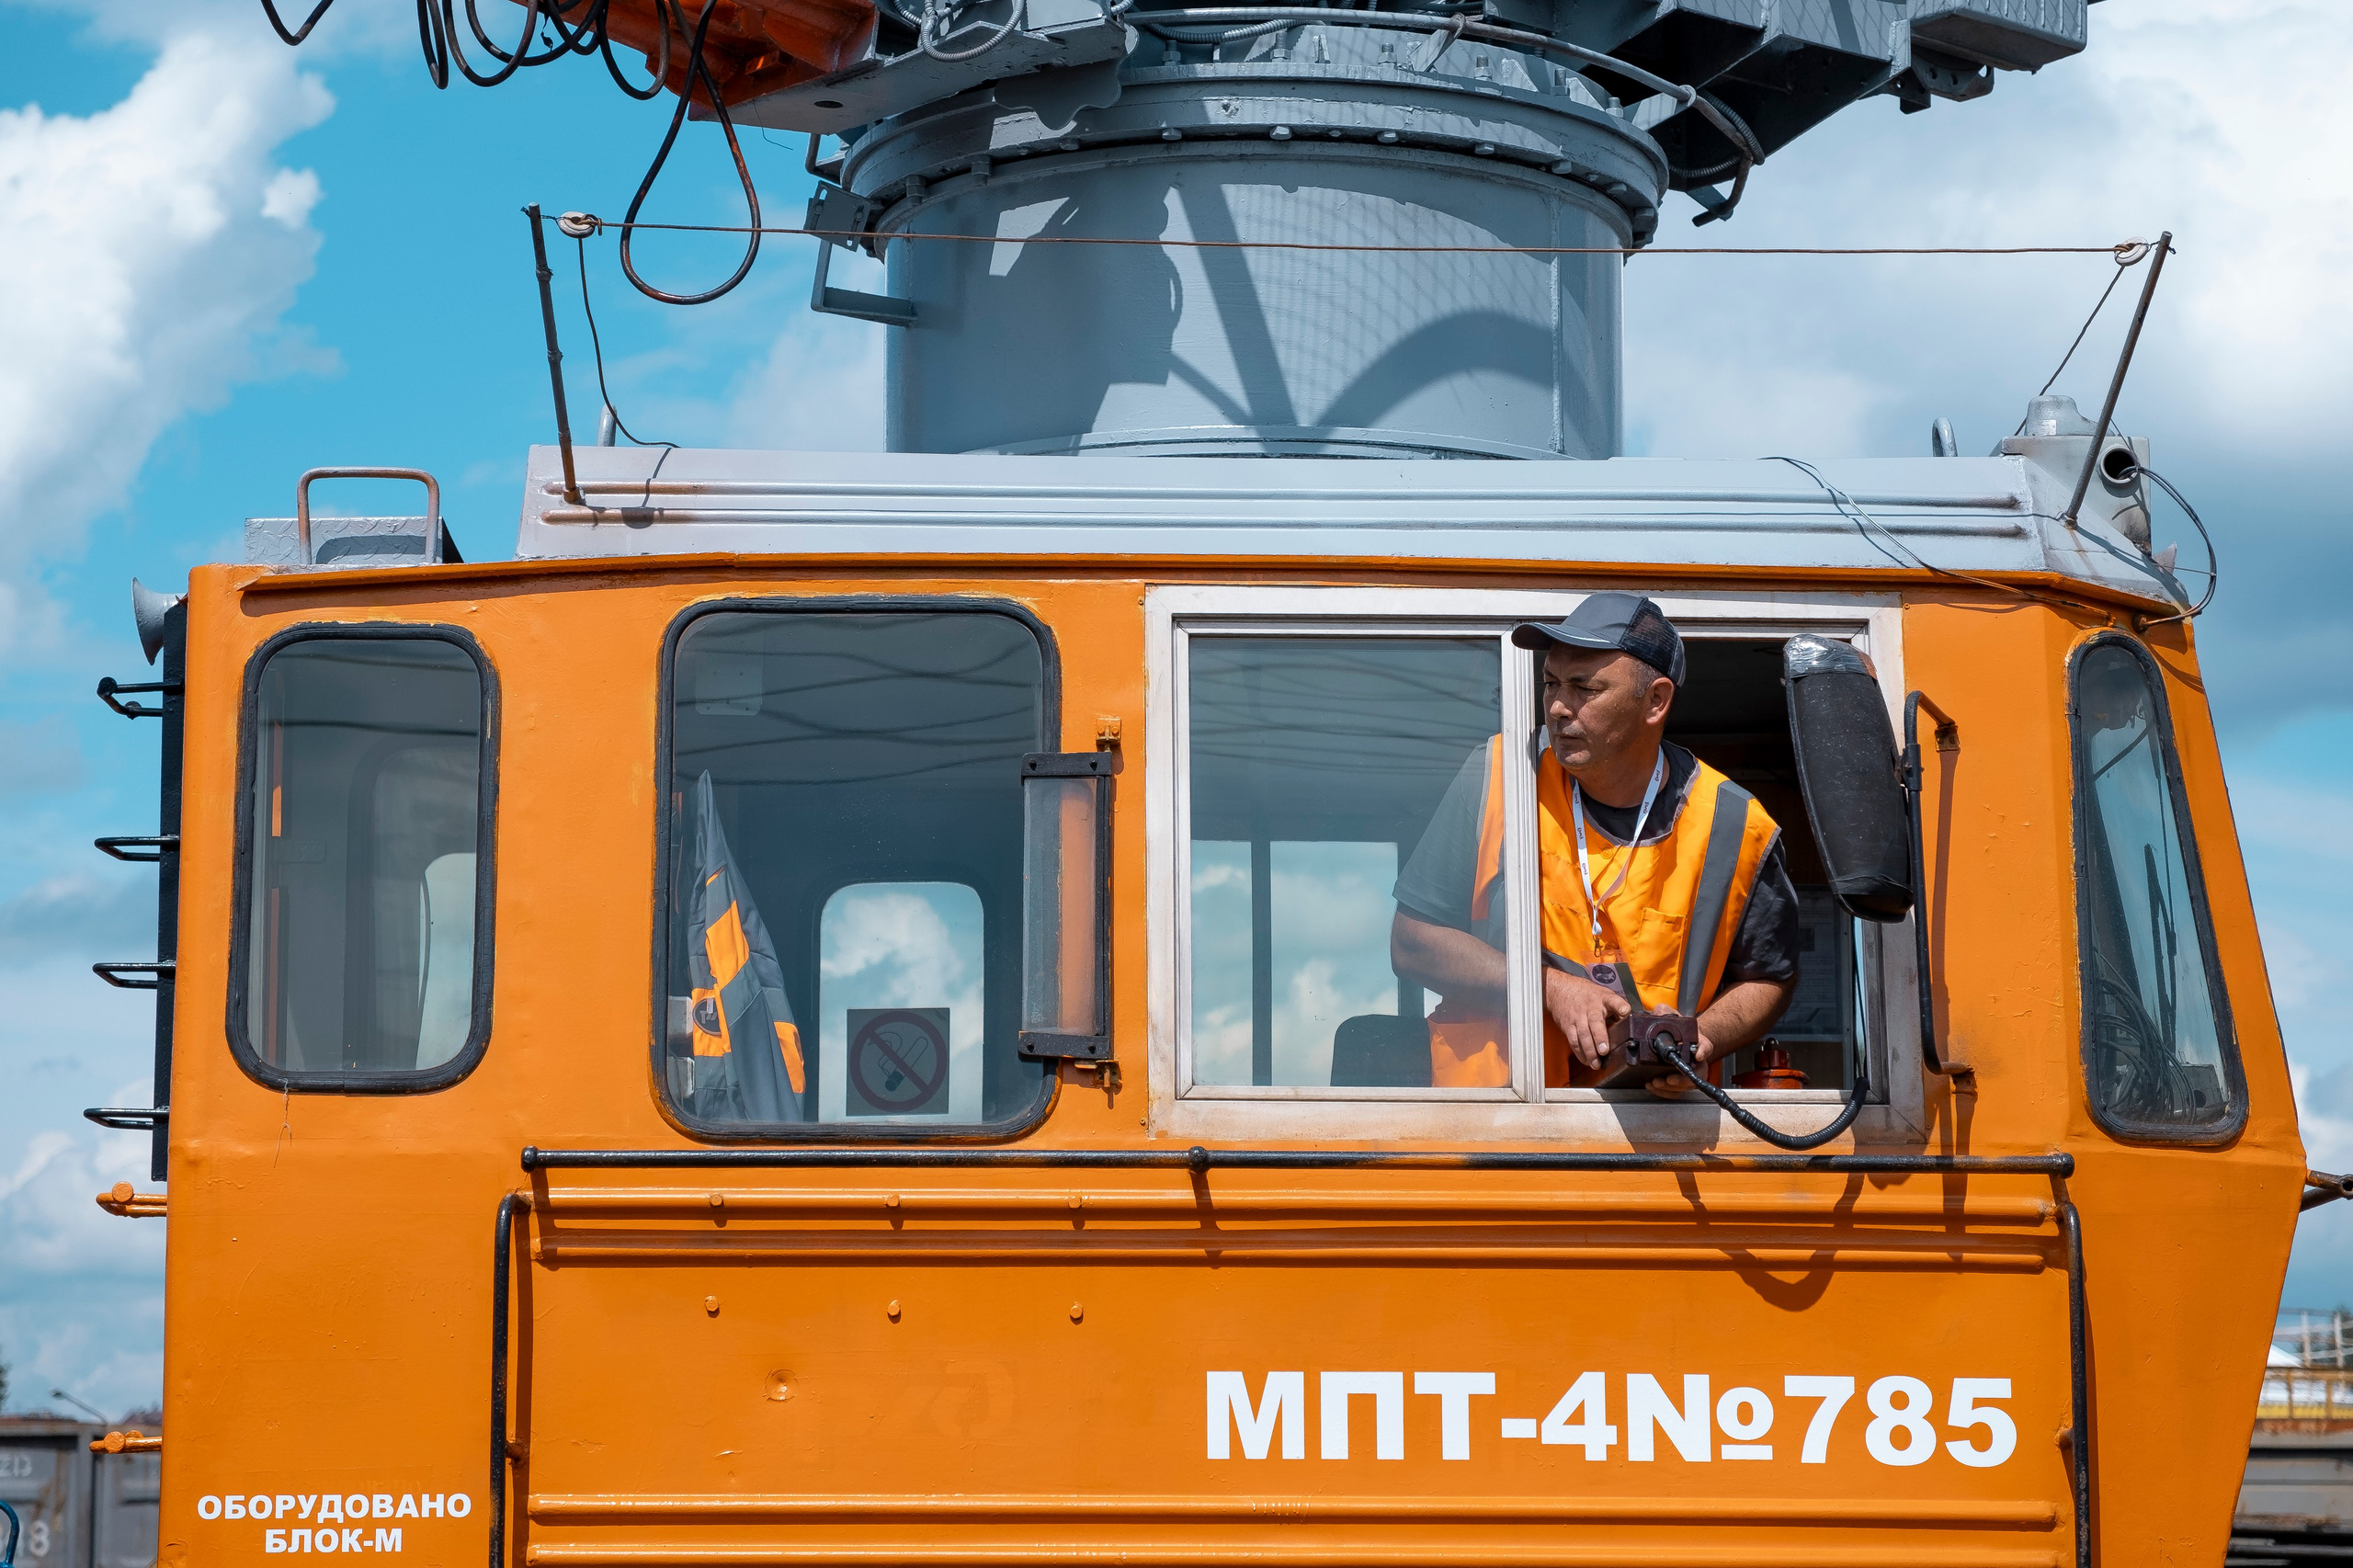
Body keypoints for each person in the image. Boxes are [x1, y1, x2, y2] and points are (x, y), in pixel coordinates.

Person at [1391, 592, 1800, 1093]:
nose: (1559, 707)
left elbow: (1769, 977)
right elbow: (1412, 943)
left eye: (1585, 688)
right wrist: (1548, 987)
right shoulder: (1499, 776)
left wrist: (1702, 1039)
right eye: (1550, 683)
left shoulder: (1737, 825)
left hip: (1655, 1136)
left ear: (1656, 701)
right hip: (1498, 1126)